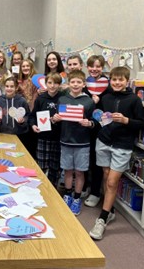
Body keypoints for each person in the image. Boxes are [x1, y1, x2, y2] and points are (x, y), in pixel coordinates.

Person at [89, 66, 144, 240]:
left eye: (120, 80)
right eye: (114, 79)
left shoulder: (134, 100)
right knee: (106, 176)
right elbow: (97, 116)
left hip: (122, 145)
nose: (117, 82)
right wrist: (96, 116)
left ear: (126, 81)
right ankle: (111, 209)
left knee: (113, 182)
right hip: (104, 142)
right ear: (110, 81)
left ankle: (102, 219)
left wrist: (126, 120)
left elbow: (142, 123)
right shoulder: (105, 97)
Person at [52, 70, 95, 216]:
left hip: (82, 143)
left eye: (78, 82)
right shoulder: (62, 100)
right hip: (65, 141)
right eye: (73, 82)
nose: (75, 84)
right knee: (67, 170)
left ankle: (77, 198)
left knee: (80, 172)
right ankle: (68, 195)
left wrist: (88, 123)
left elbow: (95, 121)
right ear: (68, 84)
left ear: (83, 84)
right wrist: (55, 119)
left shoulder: (88, 101)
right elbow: (58, 121)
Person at [84, 55, 112, 207]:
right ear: (87, 67)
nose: (94, 69)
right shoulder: (84, 84)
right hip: (84, 126)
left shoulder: (108, 86)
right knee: (84, 158)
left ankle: (95, 192)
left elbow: (109, 109)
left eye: (98, 66)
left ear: (102, 67)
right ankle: (85, 187)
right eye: (91, 66)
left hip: (100, 129)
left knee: (96, 160)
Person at [29, 72, 62, 186]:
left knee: (55, 167)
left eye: (56, 83)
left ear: (60, 85)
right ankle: (41, 187)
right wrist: (33, 125)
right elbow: (32, 116)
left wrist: (59, 119)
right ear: (46, 84)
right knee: (42, 165)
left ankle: (53, 188)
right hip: (43, 137)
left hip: (58, 137)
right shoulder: (40, 99)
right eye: (50, 83)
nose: (52, 86)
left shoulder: (63, 99)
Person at [0, 77, 30, 144]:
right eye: (7, 86)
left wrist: (23, 120)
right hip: (4, 133)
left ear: (16, 88)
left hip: (19, 134)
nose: (9, 88)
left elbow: (28, 115)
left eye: (12, 86)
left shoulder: (22, 101)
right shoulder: (0, 100)